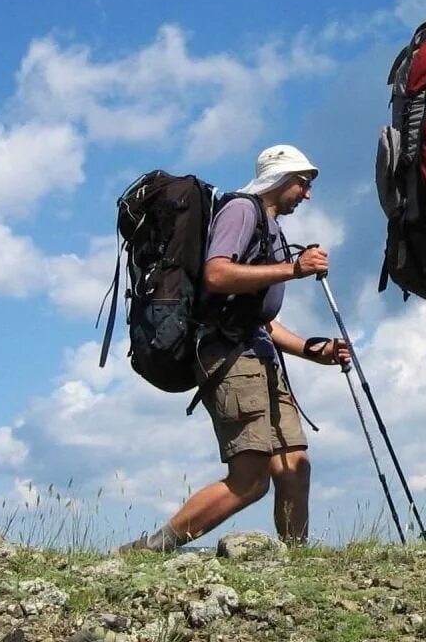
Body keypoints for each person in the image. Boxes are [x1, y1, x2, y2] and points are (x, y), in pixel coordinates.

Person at [117, 144, 350, 552]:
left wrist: (312, 350)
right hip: (229, 357)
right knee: (250, 479)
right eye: (303, 182)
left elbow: (259, 320)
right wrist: (295, 269)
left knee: (295, 465)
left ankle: (296, 561)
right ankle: (151, 549)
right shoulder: (242, 211)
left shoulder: (271, 226)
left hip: (257, 352)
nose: (307, 193)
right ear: (279, 178)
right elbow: (217, 274)